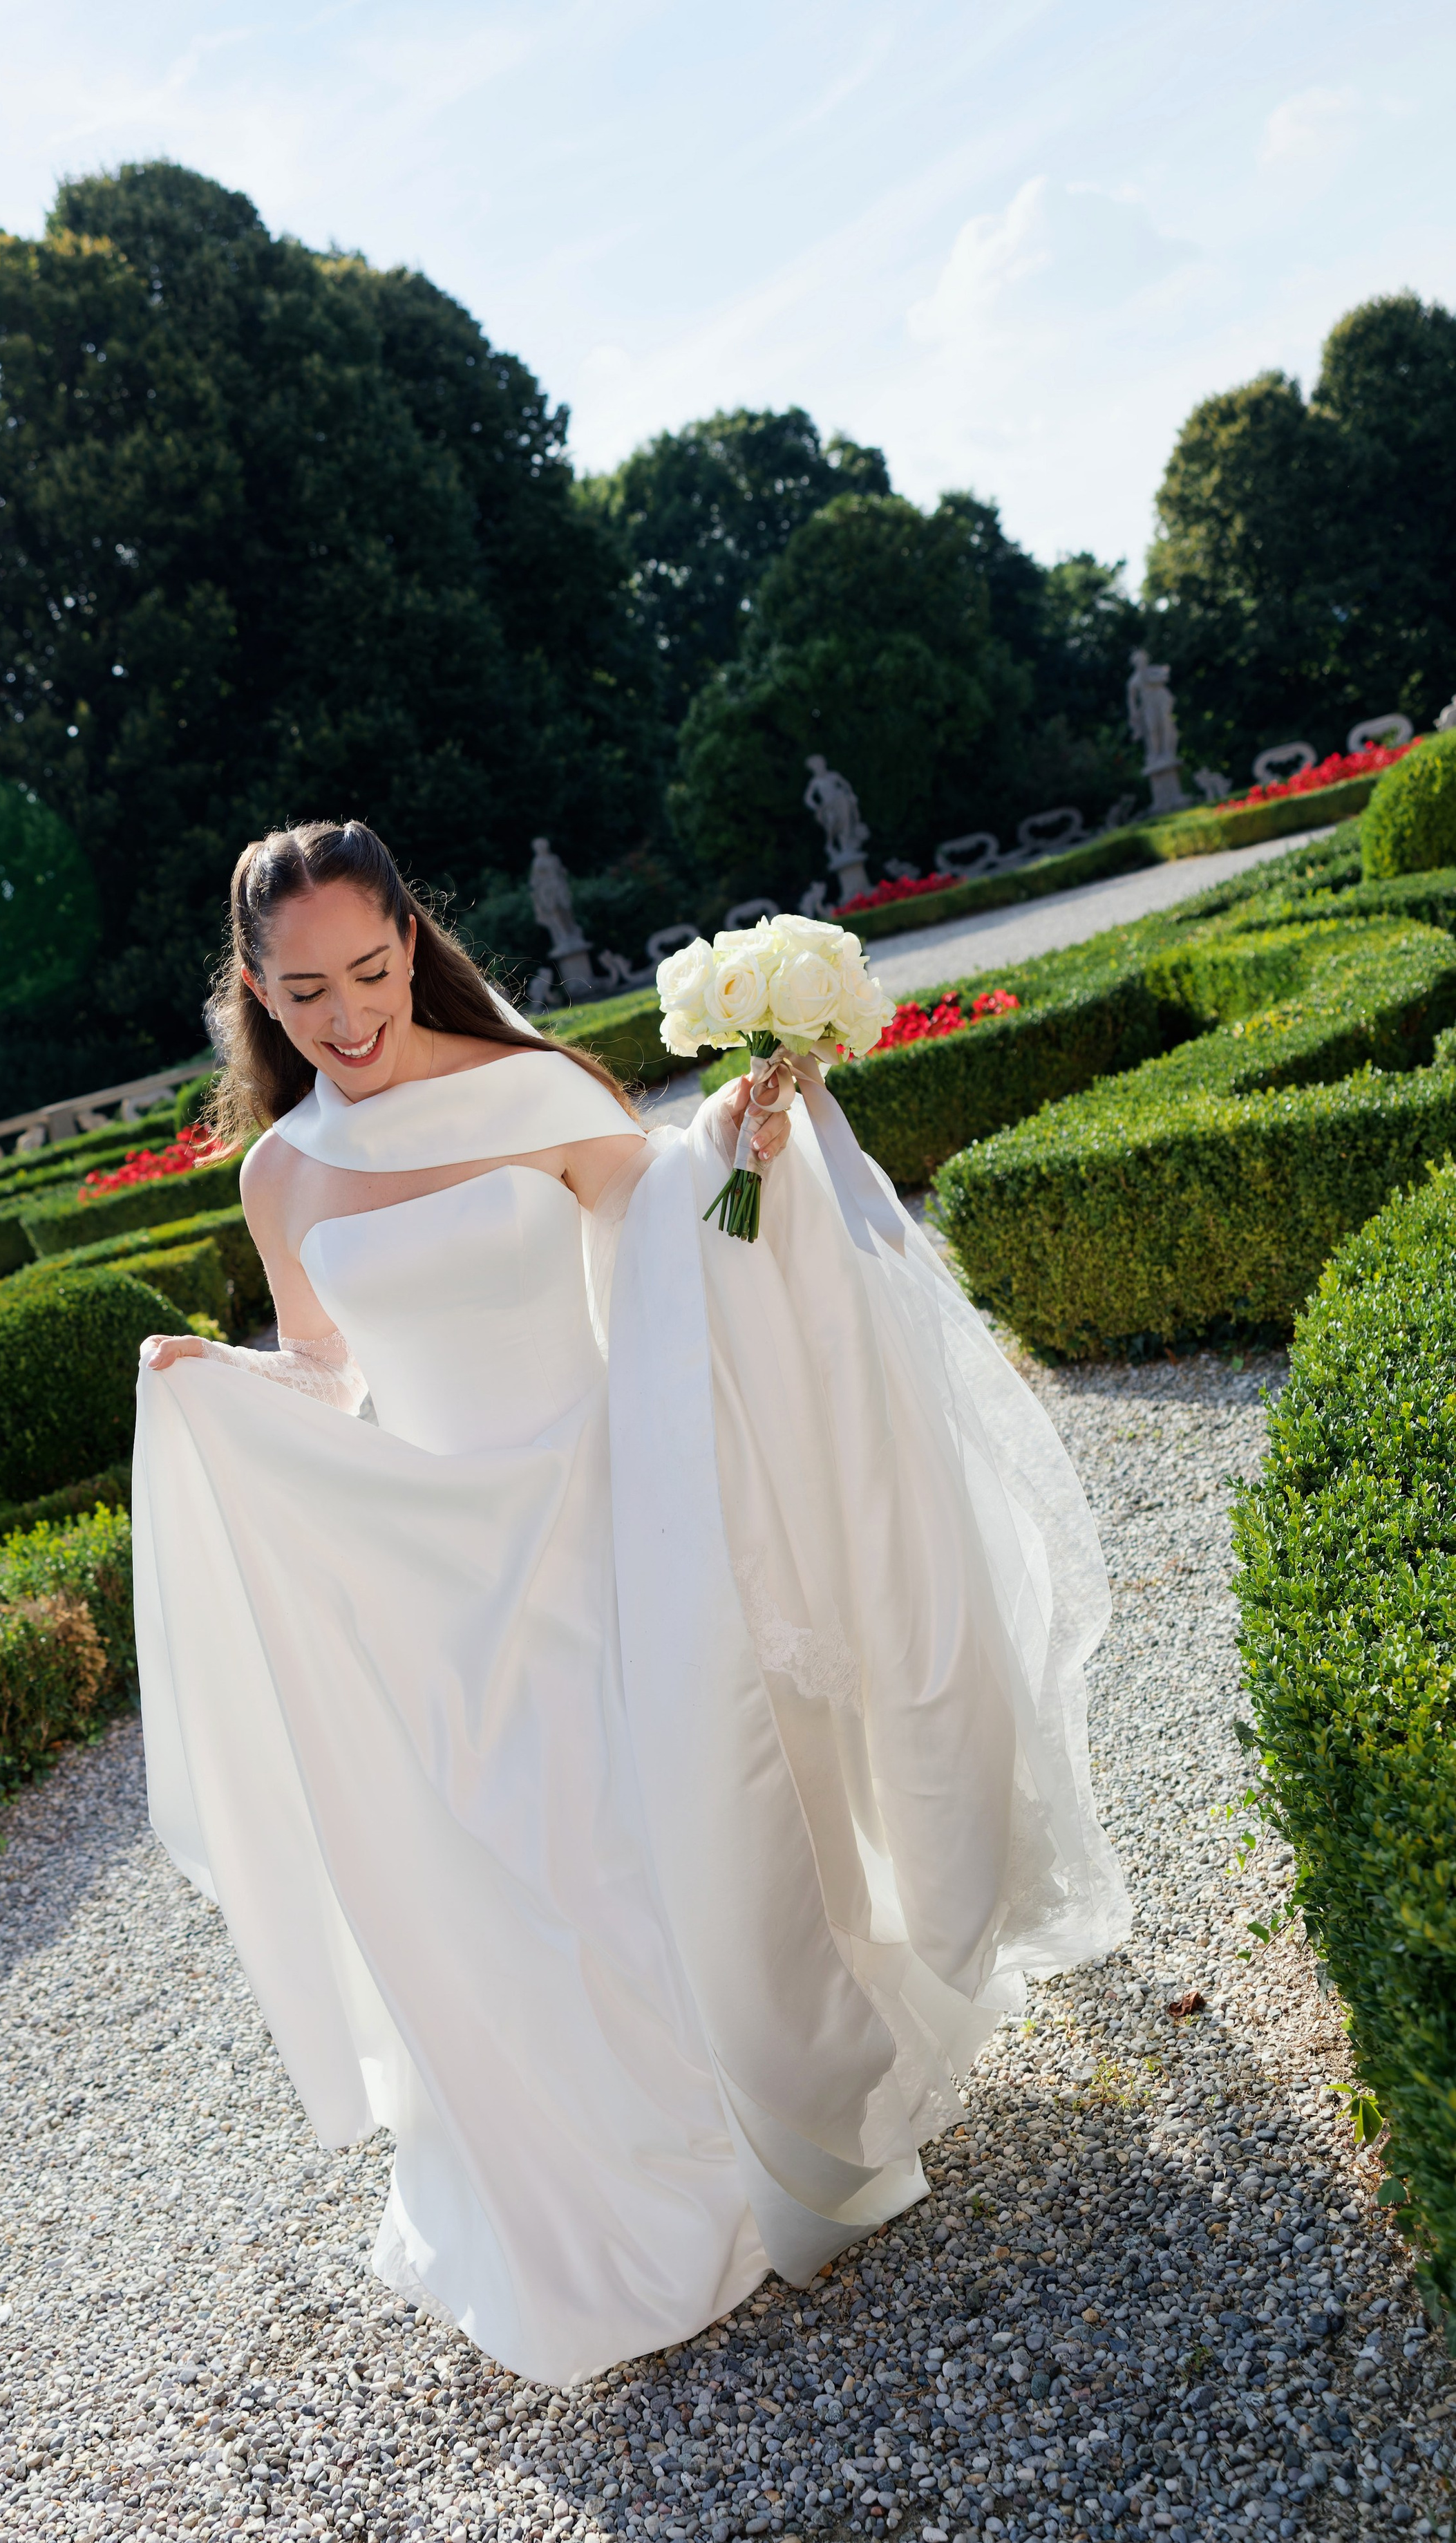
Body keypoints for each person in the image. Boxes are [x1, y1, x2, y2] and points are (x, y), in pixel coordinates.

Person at [133, 819, 1129, 2388]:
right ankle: (616, 2203)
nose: (346, 1014)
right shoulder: (281, 1171)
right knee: (526, 1878)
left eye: (372, 971)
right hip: (446, 1573)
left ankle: (755, 2141)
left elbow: (679, 1224)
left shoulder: (526, 1091)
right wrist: (225, 1390)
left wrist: (740, 1146)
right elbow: (333, 1374)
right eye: (305, 988)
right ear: (252, 987)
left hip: (604, 1516)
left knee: (665, 1830)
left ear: (412, 939)